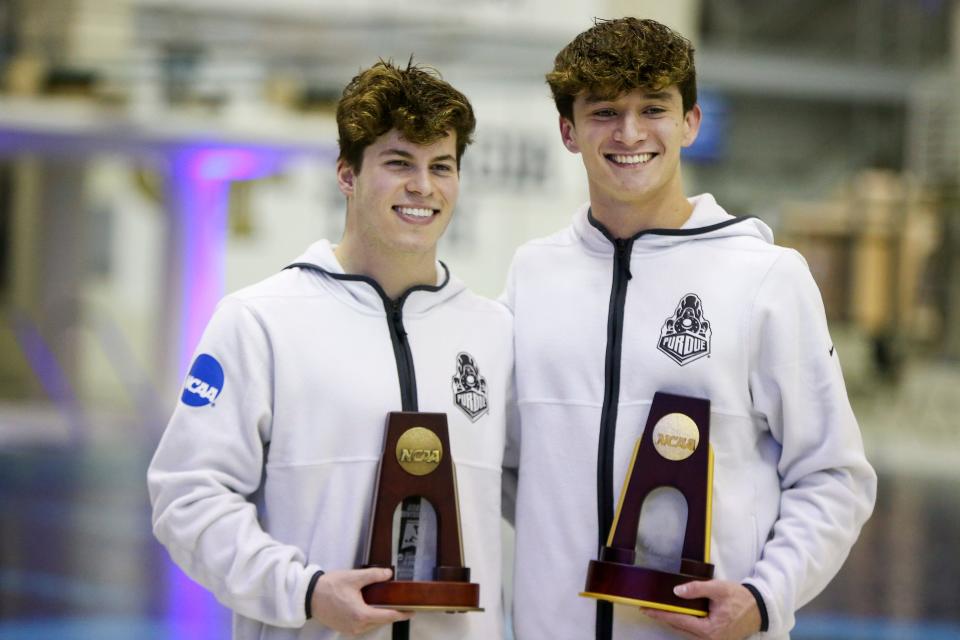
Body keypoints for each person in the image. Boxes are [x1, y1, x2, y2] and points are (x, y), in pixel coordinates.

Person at [502, 17, 877, 640]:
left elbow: (834, 476)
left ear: (690, 123)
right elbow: (508, 465)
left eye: (653, 109)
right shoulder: (532, 275)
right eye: (603, 112)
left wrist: (762, 598)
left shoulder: (767, 278)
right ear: (568, 131)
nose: (629, 134)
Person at [149, 59, 512, 640]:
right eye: (399, 163)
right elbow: (187, 498)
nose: (423, 186)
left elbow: (549, 496)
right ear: (347, 174)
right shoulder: (260, 321)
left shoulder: (494, 332)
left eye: (441, 166)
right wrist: (306, 591)